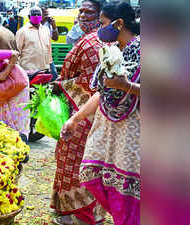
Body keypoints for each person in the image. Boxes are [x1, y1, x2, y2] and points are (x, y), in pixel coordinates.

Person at [61, 3, 140, 225]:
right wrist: (75, 119)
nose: (100, 29)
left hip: (133, 133)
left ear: (120, 23)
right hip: (107, 131)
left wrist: (127, 87)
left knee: (129, 193)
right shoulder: (113, 50)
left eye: (103, 24)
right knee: (94, 176)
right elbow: (102, 92)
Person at [50, 0, 106, 224]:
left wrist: (61, 84)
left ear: (101, 15)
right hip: (89, 115)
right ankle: (80, 212)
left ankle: (79, 216)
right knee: (80, 163)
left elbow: (92, 85)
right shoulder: (95, 38)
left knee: (75, 165)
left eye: (88, 12)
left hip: (84, 115)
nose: (82, 15)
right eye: (80, 10)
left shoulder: (94, 42)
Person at [16, 7, 52, 72]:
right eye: (34, 14)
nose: (36, 16)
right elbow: (18, 51)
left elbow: (48, 49)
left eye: (38, 14)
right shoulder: (22, 31)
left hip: (44, 68)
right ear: (29, 17)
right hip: (28, 69)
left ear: (41, 16)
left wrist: (49, 65)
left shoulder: (46, 30)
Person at [41, 6, 59, 81]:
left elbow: (55, 38)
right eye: (45, 14)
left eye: (48, 14)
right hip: (37, 56)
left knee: (54, 76)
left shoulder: (48, 24)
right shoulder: (35, 25)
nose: (47, 16)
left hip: (47, 56)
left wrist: (54, 26)